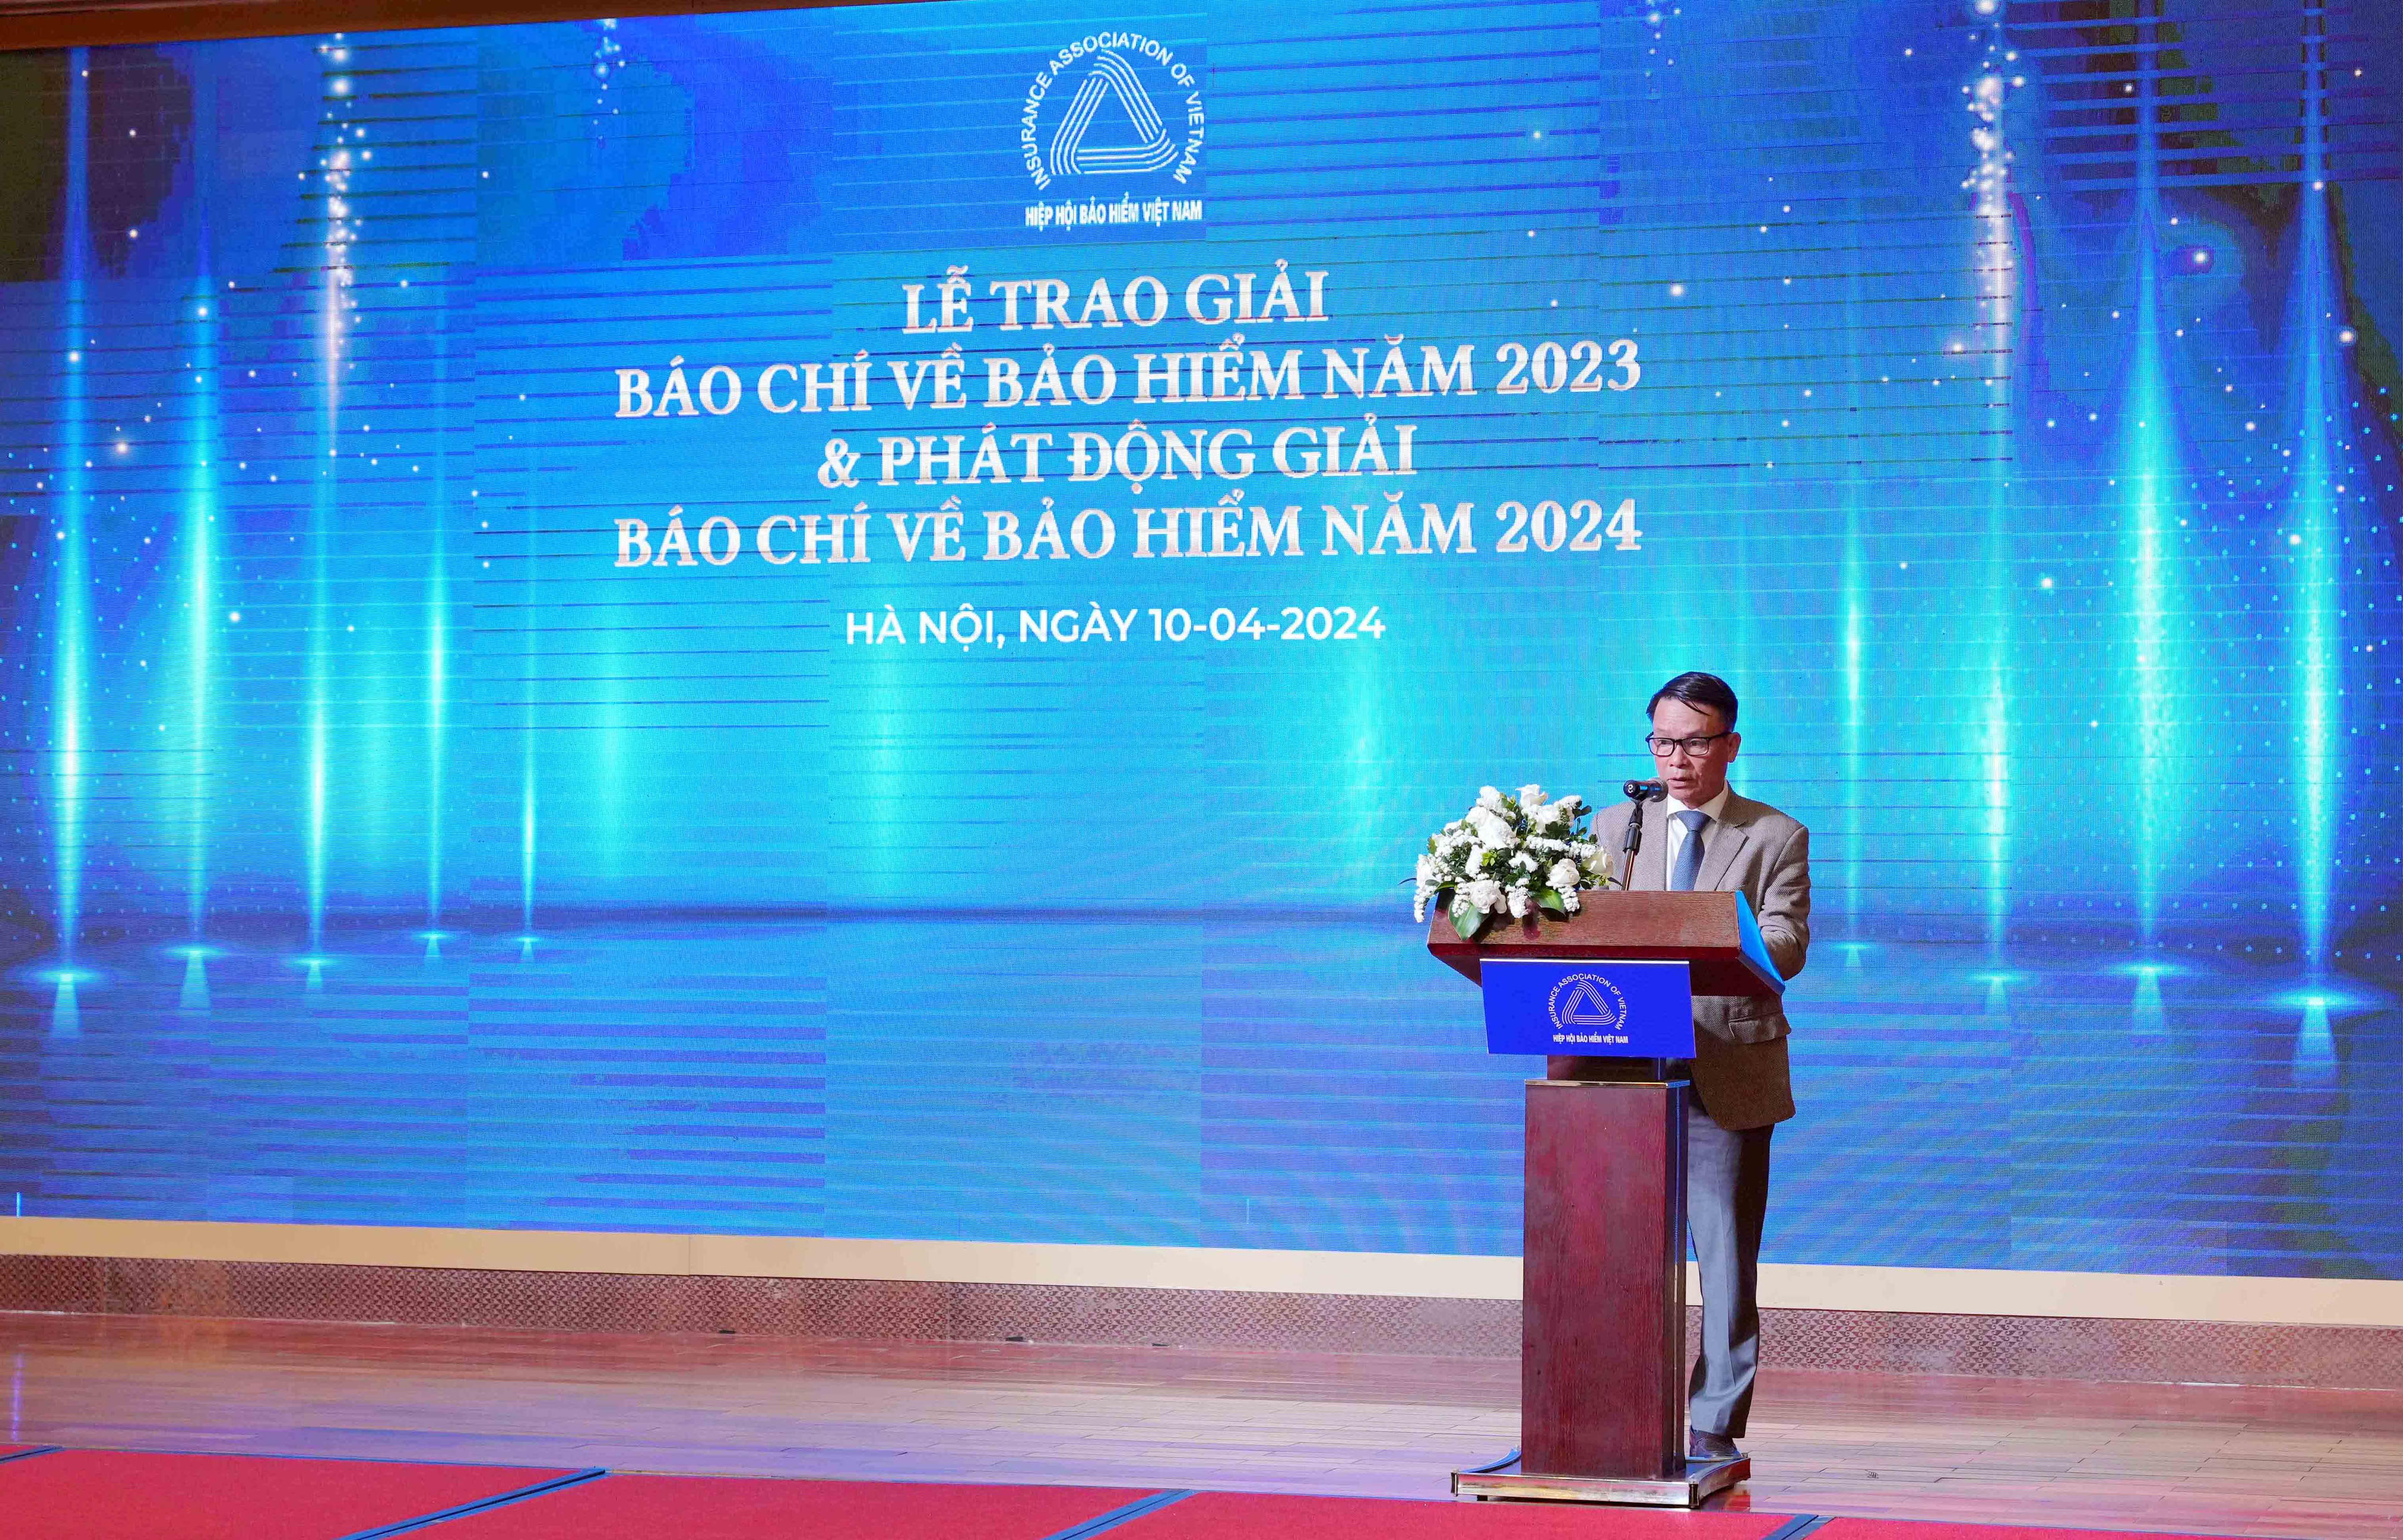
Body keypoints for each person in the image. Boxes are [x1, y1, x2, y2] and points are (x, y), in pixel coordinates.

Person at [1589, 671, 1810, 1463]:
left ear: (1730, 745)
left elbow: (1786, 943)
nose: (1675, 760)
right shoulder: (1617, 826)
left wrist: (1711, 937)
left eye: (1693, 743)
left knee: (1723, 1257)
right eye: (1662, 742)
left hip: (1725, 1064)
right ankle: (1612, 1404)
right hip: (1622, 1068)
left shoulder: (1775, 834)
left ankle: (1714, 1423)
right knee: (1612, 1249)